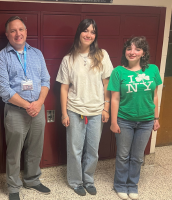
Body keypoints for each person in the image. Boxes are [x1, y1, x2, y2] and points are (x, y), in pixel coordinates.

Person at [0, 16, 51, 200]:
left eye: (21, 30)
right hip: (16, 111)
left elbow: (46, 80)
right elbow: (3, 89)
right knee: (14, 150)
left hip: (38, 108)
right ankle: (13, 187)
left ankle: (32, 180)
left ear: (26, 32)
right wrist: (28, 106)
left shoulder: (37, 53)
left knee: (36, 147)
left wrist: (39, 103)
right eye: (13, 30)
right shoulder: (1, 57)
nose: (18, 34)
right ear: (7, 34)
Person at [56, 19, 113, 196]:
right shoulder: (68, 59)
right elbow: (64, 88)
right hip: (74, 110)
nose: (89, 34)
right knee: (75, 149)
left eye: (92, 31)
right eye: (85, 30)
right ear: (79, 33)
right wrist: (64, 113)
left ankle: (88, 180)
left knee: (93, 150)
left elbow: (107, 84)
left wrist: (106, 108)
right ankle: (75, 181)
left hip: (96, 112)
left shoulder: (102, 55)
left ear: (95, 36)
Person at [108, 36, 162, 200]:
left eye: (137, 49)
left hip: (146, 121)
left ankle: (132, 185)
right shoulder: (118, 72)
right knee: (123, 155)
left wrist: (156, 117)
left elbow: (155, 96)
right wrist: (113, 121)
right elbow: (115, 98)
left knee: (138, 157)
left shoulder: (152, 69)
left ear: (143, 52)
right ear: (125, 51)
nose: (133, 52)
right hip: (124, 120)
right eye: (129, 48)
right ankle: (120, 185)